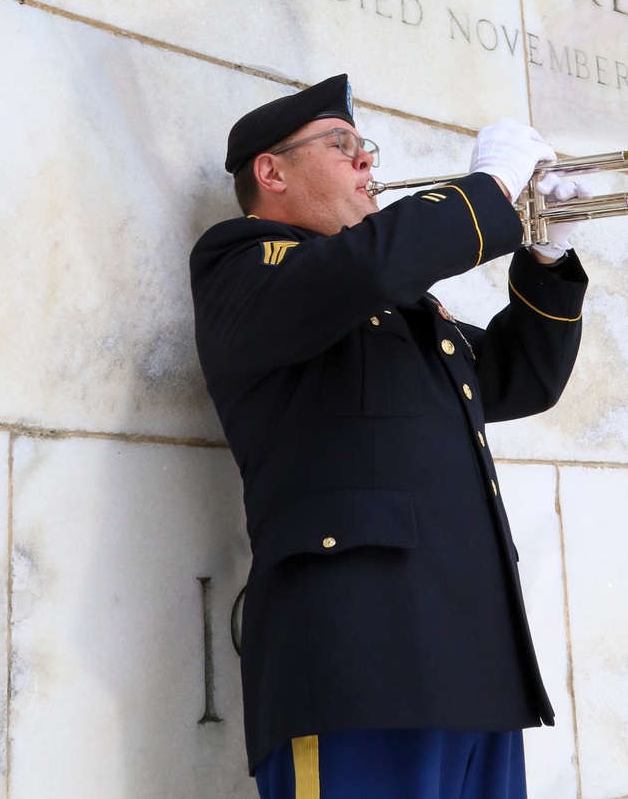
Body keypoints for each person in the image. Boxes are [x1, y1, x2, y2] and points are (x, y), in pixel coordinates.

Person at [190, 74, 588, 799]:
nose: (366, 162)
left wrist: (547, 259)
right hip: (357, 672)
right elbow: (366, 265)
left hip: (478, 672)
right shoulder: (243, 267)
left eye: (364, 146)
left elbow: (521, 377)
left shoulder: (396, 305)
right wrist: (489, 191)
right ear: (270, 172)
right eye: (342, 146)